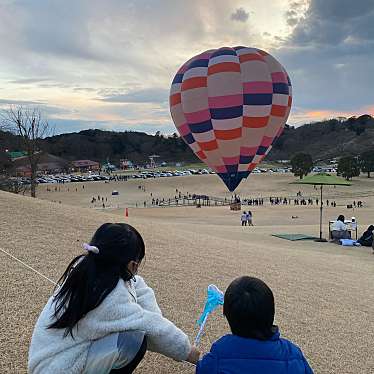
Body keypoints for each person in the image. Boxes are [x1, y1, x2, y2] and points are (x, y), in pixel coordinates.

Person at [28, 223, 200, 373]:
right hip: (60, 367)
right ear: (133, 264)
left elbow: (137, 285)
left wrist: (155, 316)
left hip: (47, 361)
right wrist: (187, 352)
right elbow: (151, 327)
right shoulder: (111, 299)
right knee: (135, 339)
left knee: (138, 331)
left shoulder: (86, 268)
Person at [196, 276, 313, 373]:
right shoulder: (292, 354)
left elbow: (202, 370)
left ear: (228, 316)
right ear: (271, 312)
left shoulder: (220, 353)